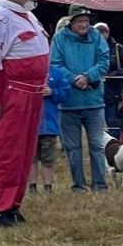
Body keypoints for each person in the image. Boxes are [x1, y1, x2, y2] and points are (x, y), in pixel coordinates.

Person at [0, 0, 50, 228]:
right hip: (12, 95)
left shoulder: (27, 16)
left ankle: (13, 205)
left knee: (24, 154)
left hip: (32, 94)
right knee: (7, 153)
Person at [51, 3, 111, 192]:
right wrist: (74, 79)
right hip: (68, 103)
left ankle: (100, 185)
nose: (84, 24)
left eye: (86, 20)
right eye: (80, 21)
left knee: (97, 145)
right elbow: (55, 63)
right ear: (71, 22)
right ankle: (78, 185)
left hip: (94, 102)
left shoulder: (96, 37)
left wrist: (88, 76)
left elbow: (104, 60)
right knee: (73, 148)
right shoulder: (59, 39)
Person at [29, 63, 69, 195]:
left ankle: (48, 188)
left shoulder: (55, 72)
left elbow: (65, 93)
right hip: (30, 126)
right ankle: (32, 188)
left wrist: (52, 92)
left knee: (48, 159)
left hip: (49, 126)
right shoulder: (27, 72)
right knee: (31, 159)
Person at [93, 22, 123, 137]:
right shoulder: (91, 49)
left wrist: (113, 75)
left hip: (113, 92)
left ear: (106, 33)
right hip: (95, 92)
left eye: (102, 32)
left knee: (112, 121)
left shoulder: (118, 49)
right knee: (96, 124)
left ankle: (114, 146)